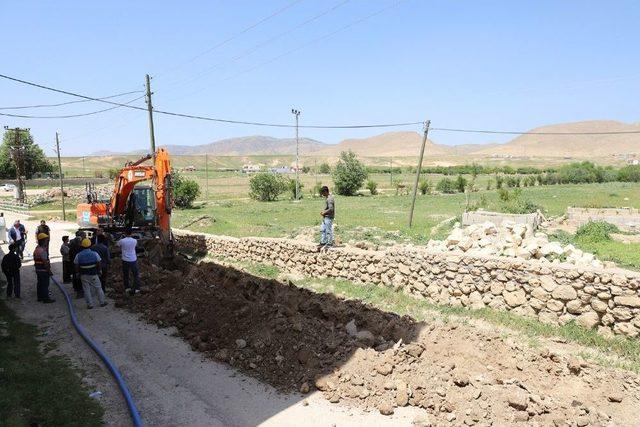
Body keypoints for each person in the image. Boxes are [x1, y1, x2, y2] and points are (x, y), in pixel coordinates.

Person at [74, 238, 107, 309]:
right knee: (98, 288)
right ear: (90, 245)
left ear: (82, 246)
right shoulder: (94, 254)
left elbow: (76, 265)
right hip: (93, 274)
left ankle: (90, 304)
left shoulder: (78, 255)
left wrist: (77, 273)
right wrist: (100, 271)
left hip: (83, 274)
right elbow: (99, 263)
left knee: (86, 289)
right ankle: (102, 302)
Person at [117, 229, 141, 295]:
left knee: (126, 274)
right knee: (135, 274)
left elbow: (117, 245)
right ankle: (137, 288)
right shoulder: (134, 241)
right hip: (133, 259)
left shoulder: (122, 241)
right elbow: (136, 246)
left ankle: (127, 288)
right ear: (131, 233)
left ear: (125, 233)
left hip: (125, 260)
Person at [33, 233, 54, 303]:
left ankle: (40, 297)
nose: (47, 241)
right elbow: (45, 263)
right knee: (45, 284)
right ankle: (46, 298)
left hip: (38, 269)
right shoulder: (42, 251)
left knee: (40, 284)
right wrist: (49, 271)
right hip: (43, 270)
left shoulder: (36, 249)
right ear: (43, 241)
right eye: (46, 239)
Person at [68, 231, 85, 299]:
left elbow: (70, 256)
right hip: (78, 265)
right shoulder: (80, 248)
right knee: (79, 278)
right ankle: (80, 291)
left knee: (76, 276)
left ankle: (76, 288)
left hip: (73, 264)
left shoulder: (72, 247)